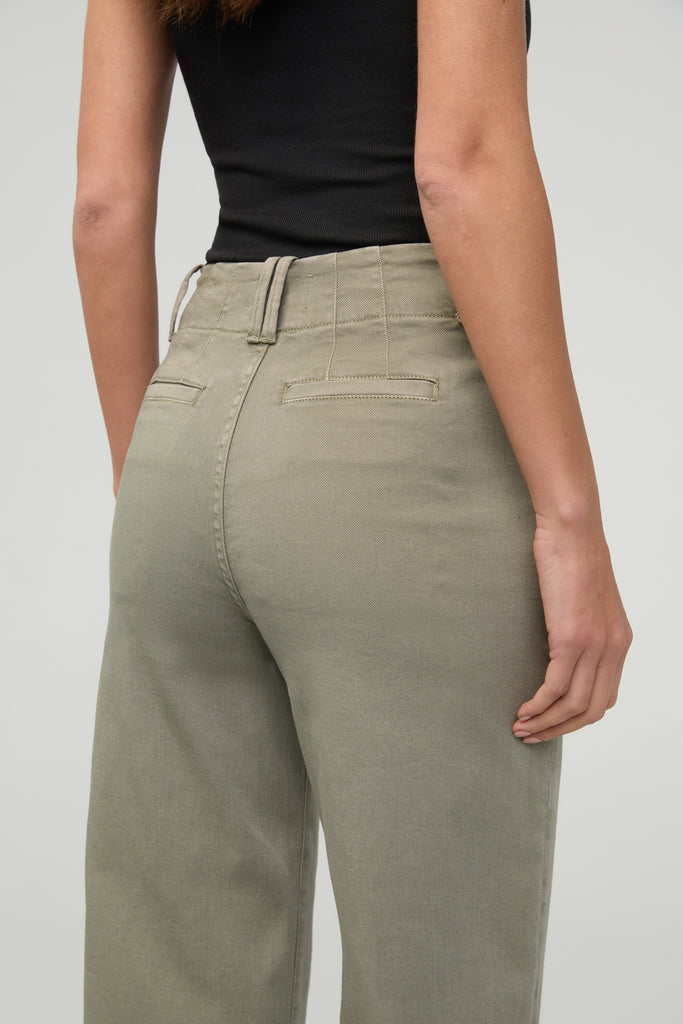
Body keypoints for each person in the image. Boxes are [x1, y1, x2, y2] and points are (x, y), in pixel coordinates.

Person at [72, 1, 632, 1022]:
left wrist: (141, 464)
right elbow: (459, 167)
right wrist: (571, 521)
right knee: (436, 975)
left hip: (186, 414)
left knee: (173, 972)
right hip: (395, 419)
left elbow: (104, 204)